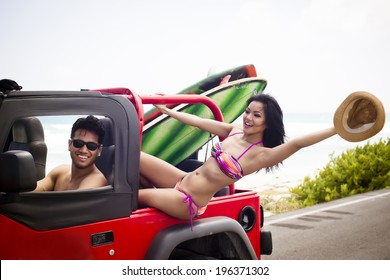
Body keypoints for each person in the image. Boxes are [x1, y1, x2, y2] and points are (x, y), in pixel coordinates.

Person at [138, 94, 340, 226]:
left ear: (268, 123)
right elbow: (200, 122)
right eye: (247, 111)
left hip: (188, 202)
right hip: (181, 179)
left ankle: (152, 193)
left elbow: (297, 144)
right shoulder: (235, 131)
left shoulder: (260, 155)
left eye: (256, 115)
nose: (248, 118)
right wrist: (166, 110)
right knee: (135, 157)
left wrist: (335, 129)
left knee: (134, 195)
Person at [35, 115, 107, 191]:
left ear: (99, 150)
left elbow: (77, 201)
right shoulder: (60, 171)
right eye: (78, 143)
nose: (83, 150)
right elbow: (30, 193)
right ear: (69, 144)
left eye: (91, 146)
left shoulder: (97, 180)